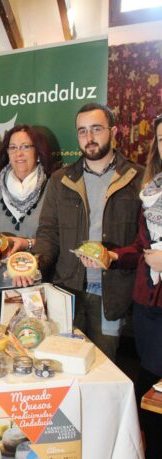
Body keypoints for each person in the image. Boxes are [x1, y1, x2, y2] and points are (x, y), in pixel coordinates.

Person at [33, 103, 144, 361]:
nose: (89, 138)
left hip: (112, 296)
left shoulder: (137, 178)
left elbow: (142, 242)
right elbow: (48, 233)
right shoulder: (61, 180)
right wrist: (35, 263)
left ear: (113, 131)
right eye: (82, 131)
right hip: (68, 293)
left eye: (96, 129)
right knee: (63, 366)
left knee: (103, 368)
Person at [87, 114, 162, 459]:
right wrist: (113, 255)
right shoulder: (151, 189)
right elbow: (140, 246)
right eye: (160, 139)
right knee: (150, 393)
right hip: (148, 303)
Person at [0, 125, 54, 293]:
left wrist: (26, 244)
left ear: (38, 152)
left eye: (25, 147)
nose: (18, 153)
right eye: (13, 147)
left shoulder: (52, 188)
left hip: (36, 282)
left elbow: (56, 240)